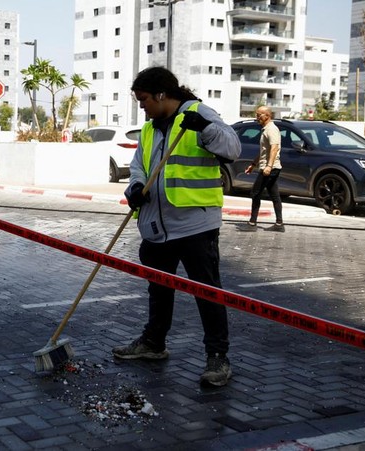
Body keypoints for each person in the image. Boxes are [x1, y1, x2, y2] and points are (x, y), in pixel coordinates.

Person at [113, 66, 241, 387]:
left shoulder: (197, 113)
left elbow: (233, 148)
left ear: (160, 94)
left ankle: (217, 357)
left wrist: (206, 129)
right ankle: (154, 343)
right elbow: (139, 165)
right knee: (159, 288)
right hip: (157, 225)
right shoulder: (149, 128)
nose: (141, 106)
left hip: (196, 224)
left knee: (207, 293)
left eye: (143, 99)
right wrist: (136, 187)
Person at [243, 105, 284, 232]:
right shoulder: (266, 129)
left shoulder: (271, 129)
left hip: (270, 168)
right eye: (256, 114)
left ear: (267, 115)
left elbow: (274, 148)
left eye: (259, 115)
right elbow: (264, 151)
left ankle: (252, 223)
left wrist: (269, 166)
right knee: (274, 194)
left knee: (255, 193)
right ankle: (279, 224)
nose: (257, 117)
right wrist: (253, 164)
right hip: (269, 166)